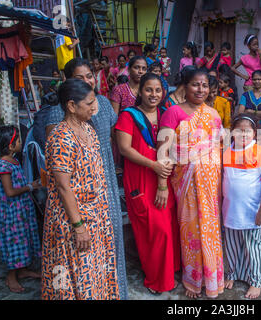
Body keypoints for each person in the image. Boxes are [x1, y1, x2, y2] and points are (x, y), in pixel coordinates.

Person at [45, 58, 128, 299]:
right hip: (76, 218)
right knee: (76, 274)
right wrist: (79, 226)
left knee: (95, 271)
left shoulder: (88, 129)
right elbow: (63, 185)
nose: (95, 108)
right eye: (89, 103)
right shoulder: (61, 137)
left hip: (97, 214)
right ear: (71, 106)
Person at [158, 68, 224, 299]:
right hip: (185, 182)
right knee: (191, 231)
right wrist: (162, 185)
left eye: (205, 85)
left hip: (210, 183)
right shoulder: (173, 113)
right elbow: (164, 152)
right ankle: (193, 278)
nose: (201, 90)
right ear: (184, 86)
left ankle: (213, 278)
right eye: (195, 84)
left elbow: (217, 150)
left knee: (211, 230)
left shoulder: (214, 114)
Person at [115, 73, 180, 295]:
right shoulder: (128, 116)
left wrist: (164, 169)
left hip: (164, 176)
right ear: (139, 92)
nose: (154, 95)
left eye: (158, 90)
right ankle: (157, 280)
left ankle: (171, 269)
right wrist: (153, 165)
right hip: (141, 178)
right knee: (154, 229)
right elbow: (125, 149)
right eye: (149, 90)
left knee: (169, 225)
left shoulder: (165, 114)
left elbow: (173, 146)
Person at [222, 114, 261, 299]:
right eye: (238, 130)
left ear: (254, 133)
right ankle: (232, 274)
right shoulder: (227, 151)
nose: (243, 134)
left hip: (251, 213)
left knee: (252, 248)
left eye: (247, 131)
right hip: (230, 212)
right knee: (231, 246)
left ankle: (255, 281)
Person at [0, 126, 41, 293]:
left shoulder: (14, 160)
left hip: (22, 210)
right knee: (15, 243)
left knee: (24, 241)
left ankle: (22, 270)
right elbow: (10, 192)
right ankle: (11, 277)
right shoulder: (3, 166)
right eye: (18, 141)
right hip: (13, 213)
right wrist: (29, 187)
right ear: (10, 146)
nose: (21, 143)